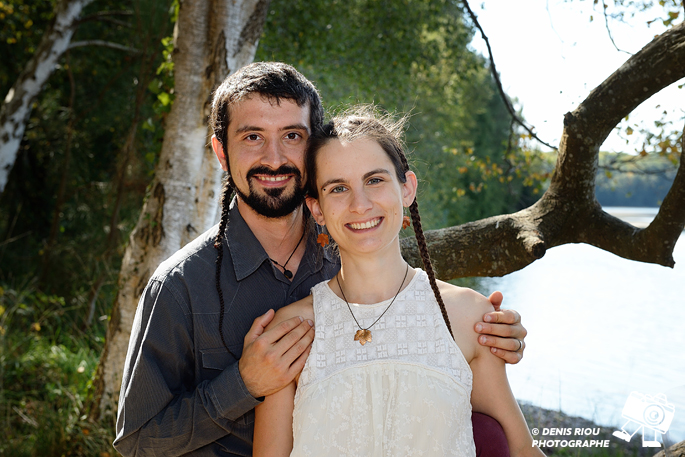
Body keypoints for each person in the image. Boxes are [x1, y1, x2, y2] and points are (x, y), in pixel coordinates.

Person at [114, 62, 528, 456]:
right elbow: (135, 443)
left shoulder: (358, 244)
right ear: (221, 153)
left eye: (292, 136)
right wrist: (243, 384)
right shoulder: (180, 286)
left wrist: (491, 334)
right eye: (252, 137)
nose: (274, 158)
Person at [253, 108, 543, 457]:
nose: (360, 204)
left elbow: (522, 451)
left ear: (407, 189)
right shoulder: (290, 332)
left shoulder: (468, 316)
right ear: (317, 210)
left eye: (374, 180)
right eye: (338, 188)